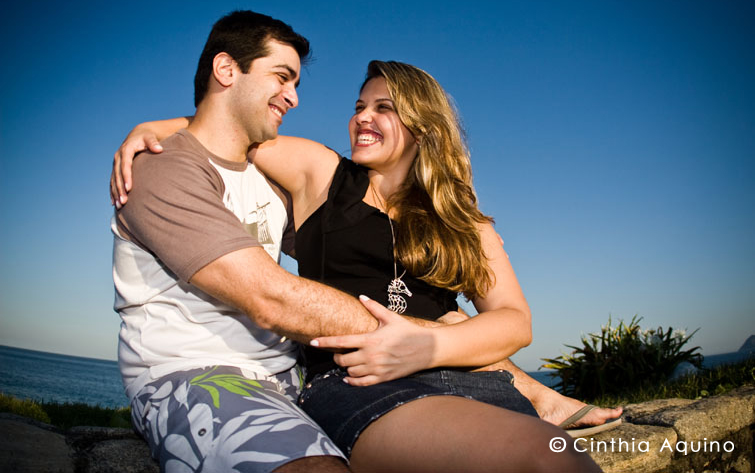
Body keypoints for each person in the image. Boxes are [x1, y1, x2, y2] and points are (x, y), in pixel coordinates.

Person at [113, 42, 614, 470]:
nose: (362, 118)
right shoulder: (322, 173)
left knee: (565, 459)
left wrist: (427, 346)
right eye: (359, 106)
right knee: (547, 461)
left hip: (467, 381)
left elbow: (514, 322)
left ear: (423, 127)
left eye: (383, 108)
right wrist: (153, 125)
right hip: (360, 383)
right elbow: (228, 128)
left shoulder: (464, 218)